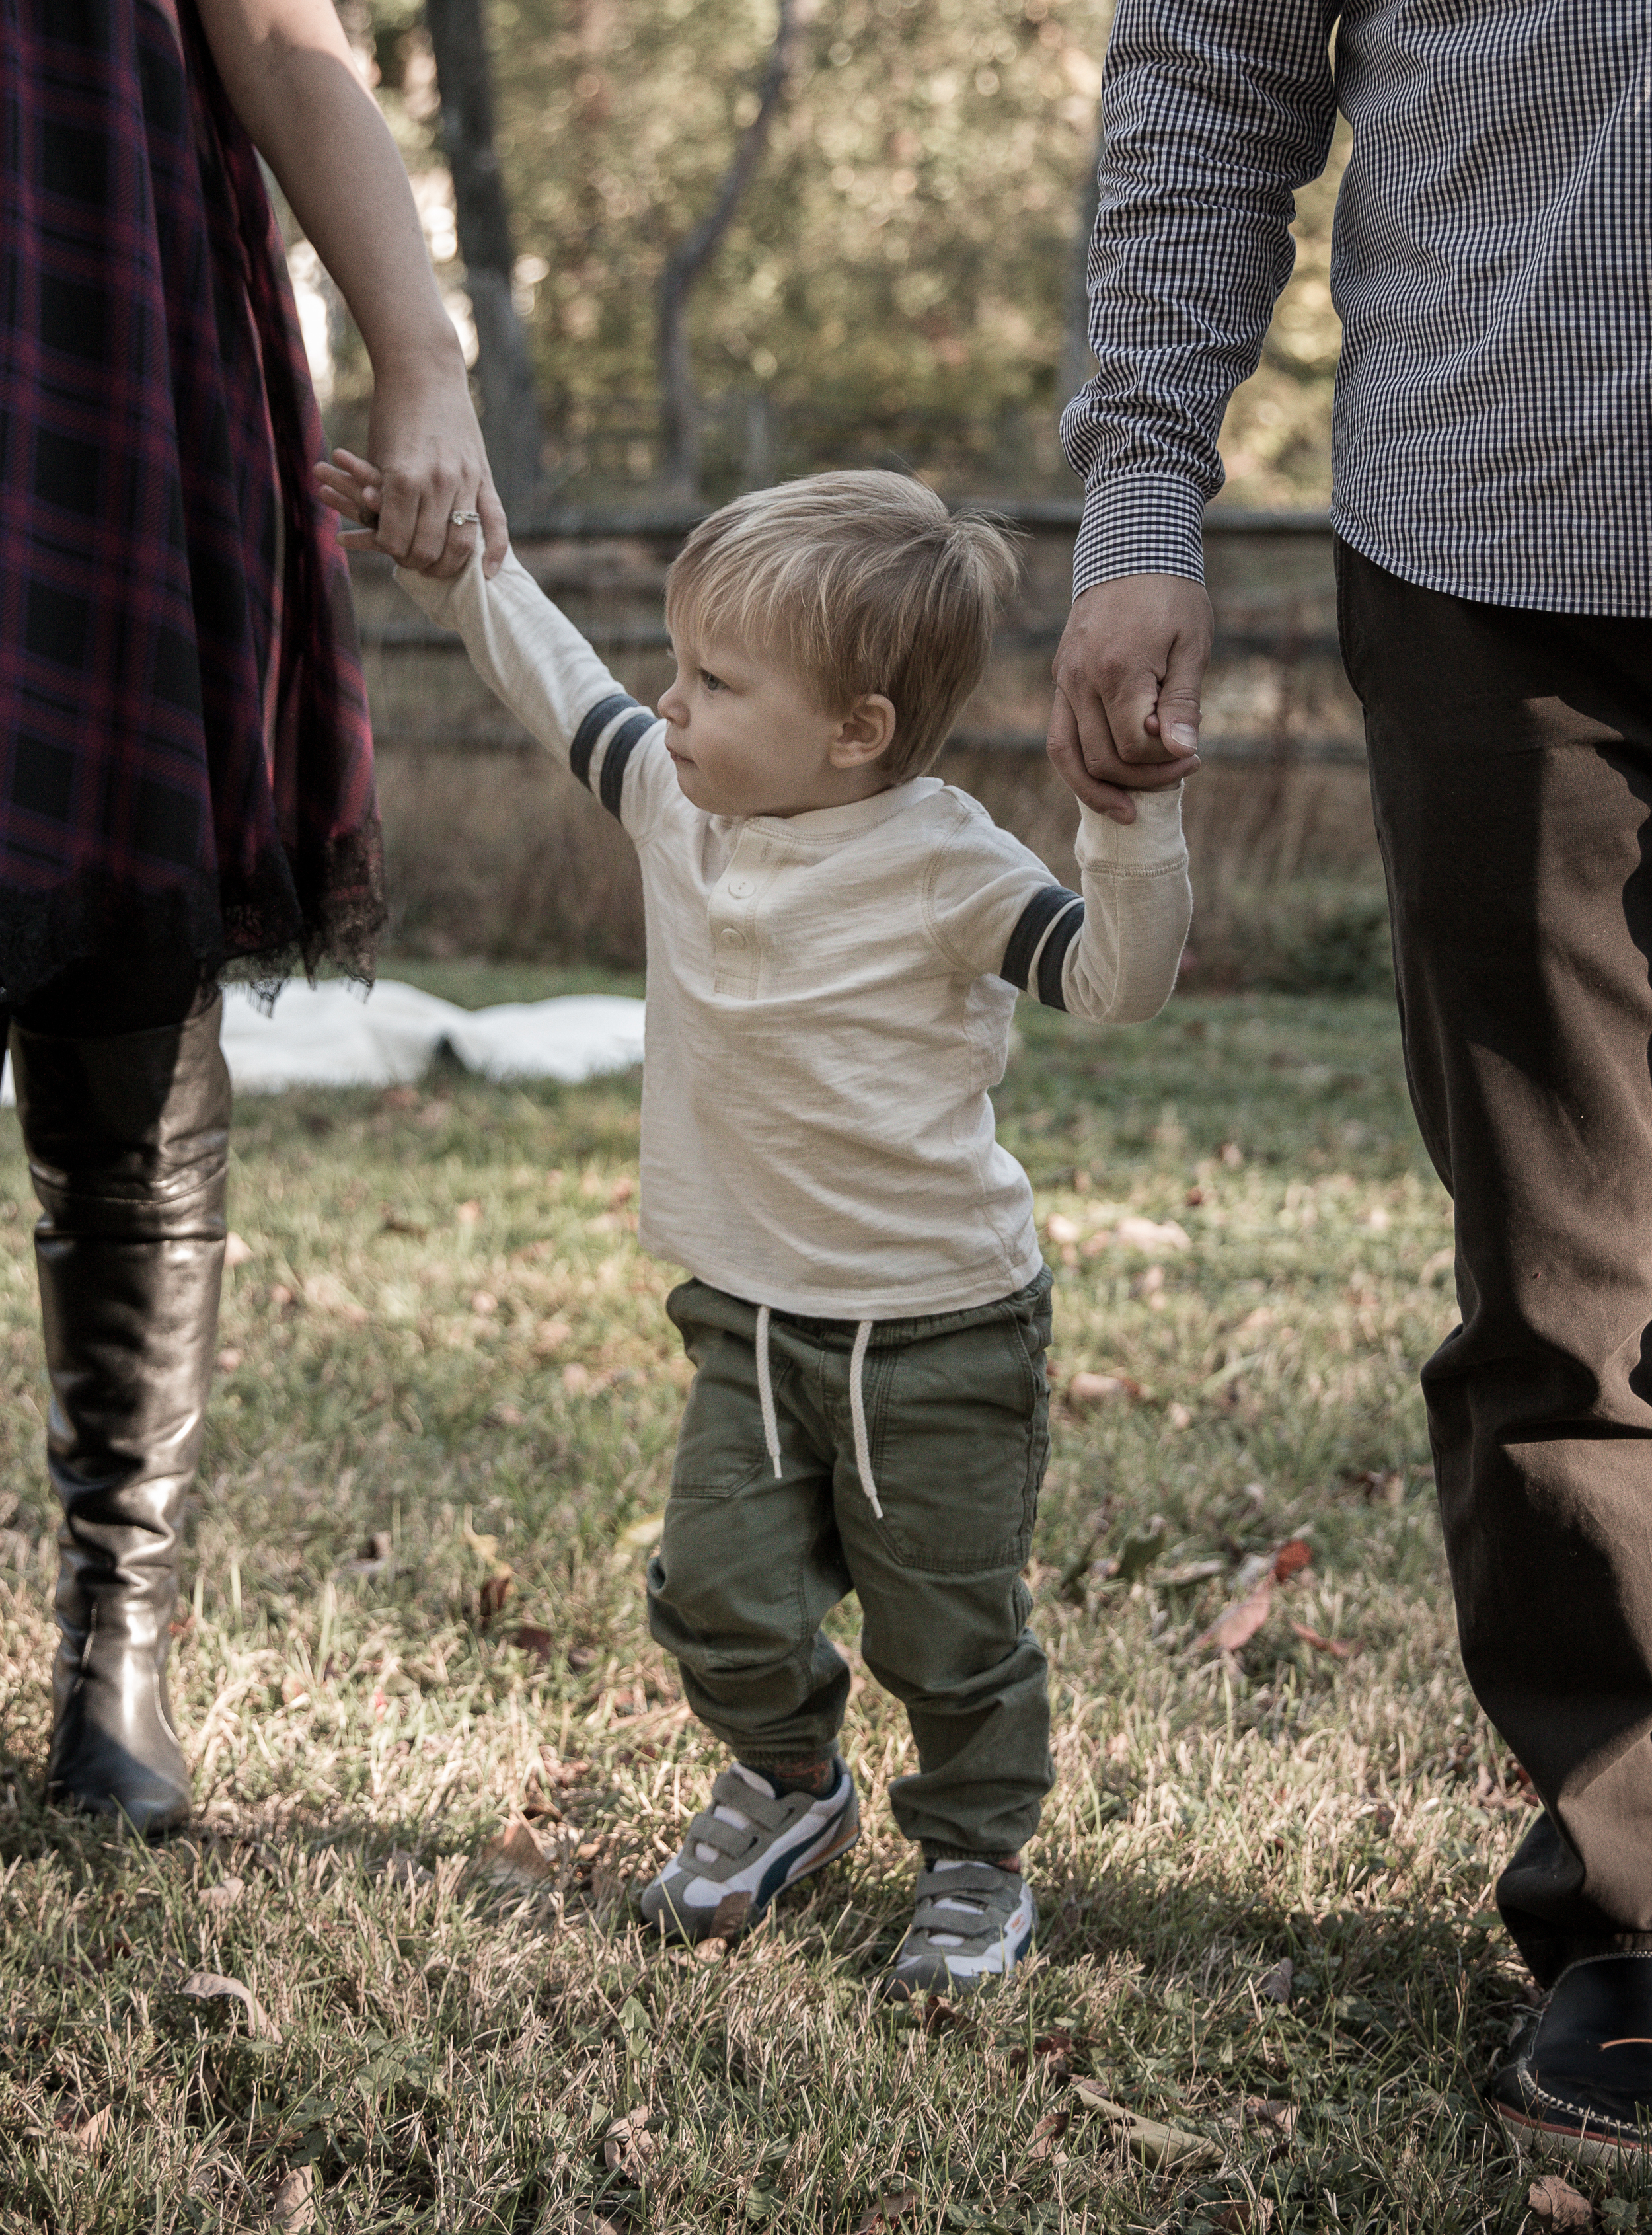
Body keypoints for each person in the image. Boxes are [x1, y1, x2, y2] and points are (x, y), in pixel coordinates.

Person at [319, 459, 1192, 1995]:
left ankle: (975, 1862)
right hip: (747, 1310)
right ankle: (792, 1780)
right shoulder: (680, 802)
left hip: (940, 1328)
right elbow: (561, 685)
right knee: (713, 1590)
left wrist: (1127, 823)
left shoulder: (943, 863)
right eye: (682, 667)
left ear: (851, 731)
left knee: (948, 1633)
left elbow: (1115, 984)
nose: (671, 703)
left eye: (716, 679)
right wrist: (457, 565)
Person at [1052, 0, 1650, 2156]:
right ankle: (1636, 1921)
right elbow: (1211, 72)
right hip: (1507, 549)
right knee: (1567, 1275)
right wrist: (1139, 501)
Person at [1, 0, 508, 1835]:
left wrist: (420, 355)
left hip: (105, 340)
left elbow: (284, 31)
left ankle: (113, 1650)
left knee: (126, 960)